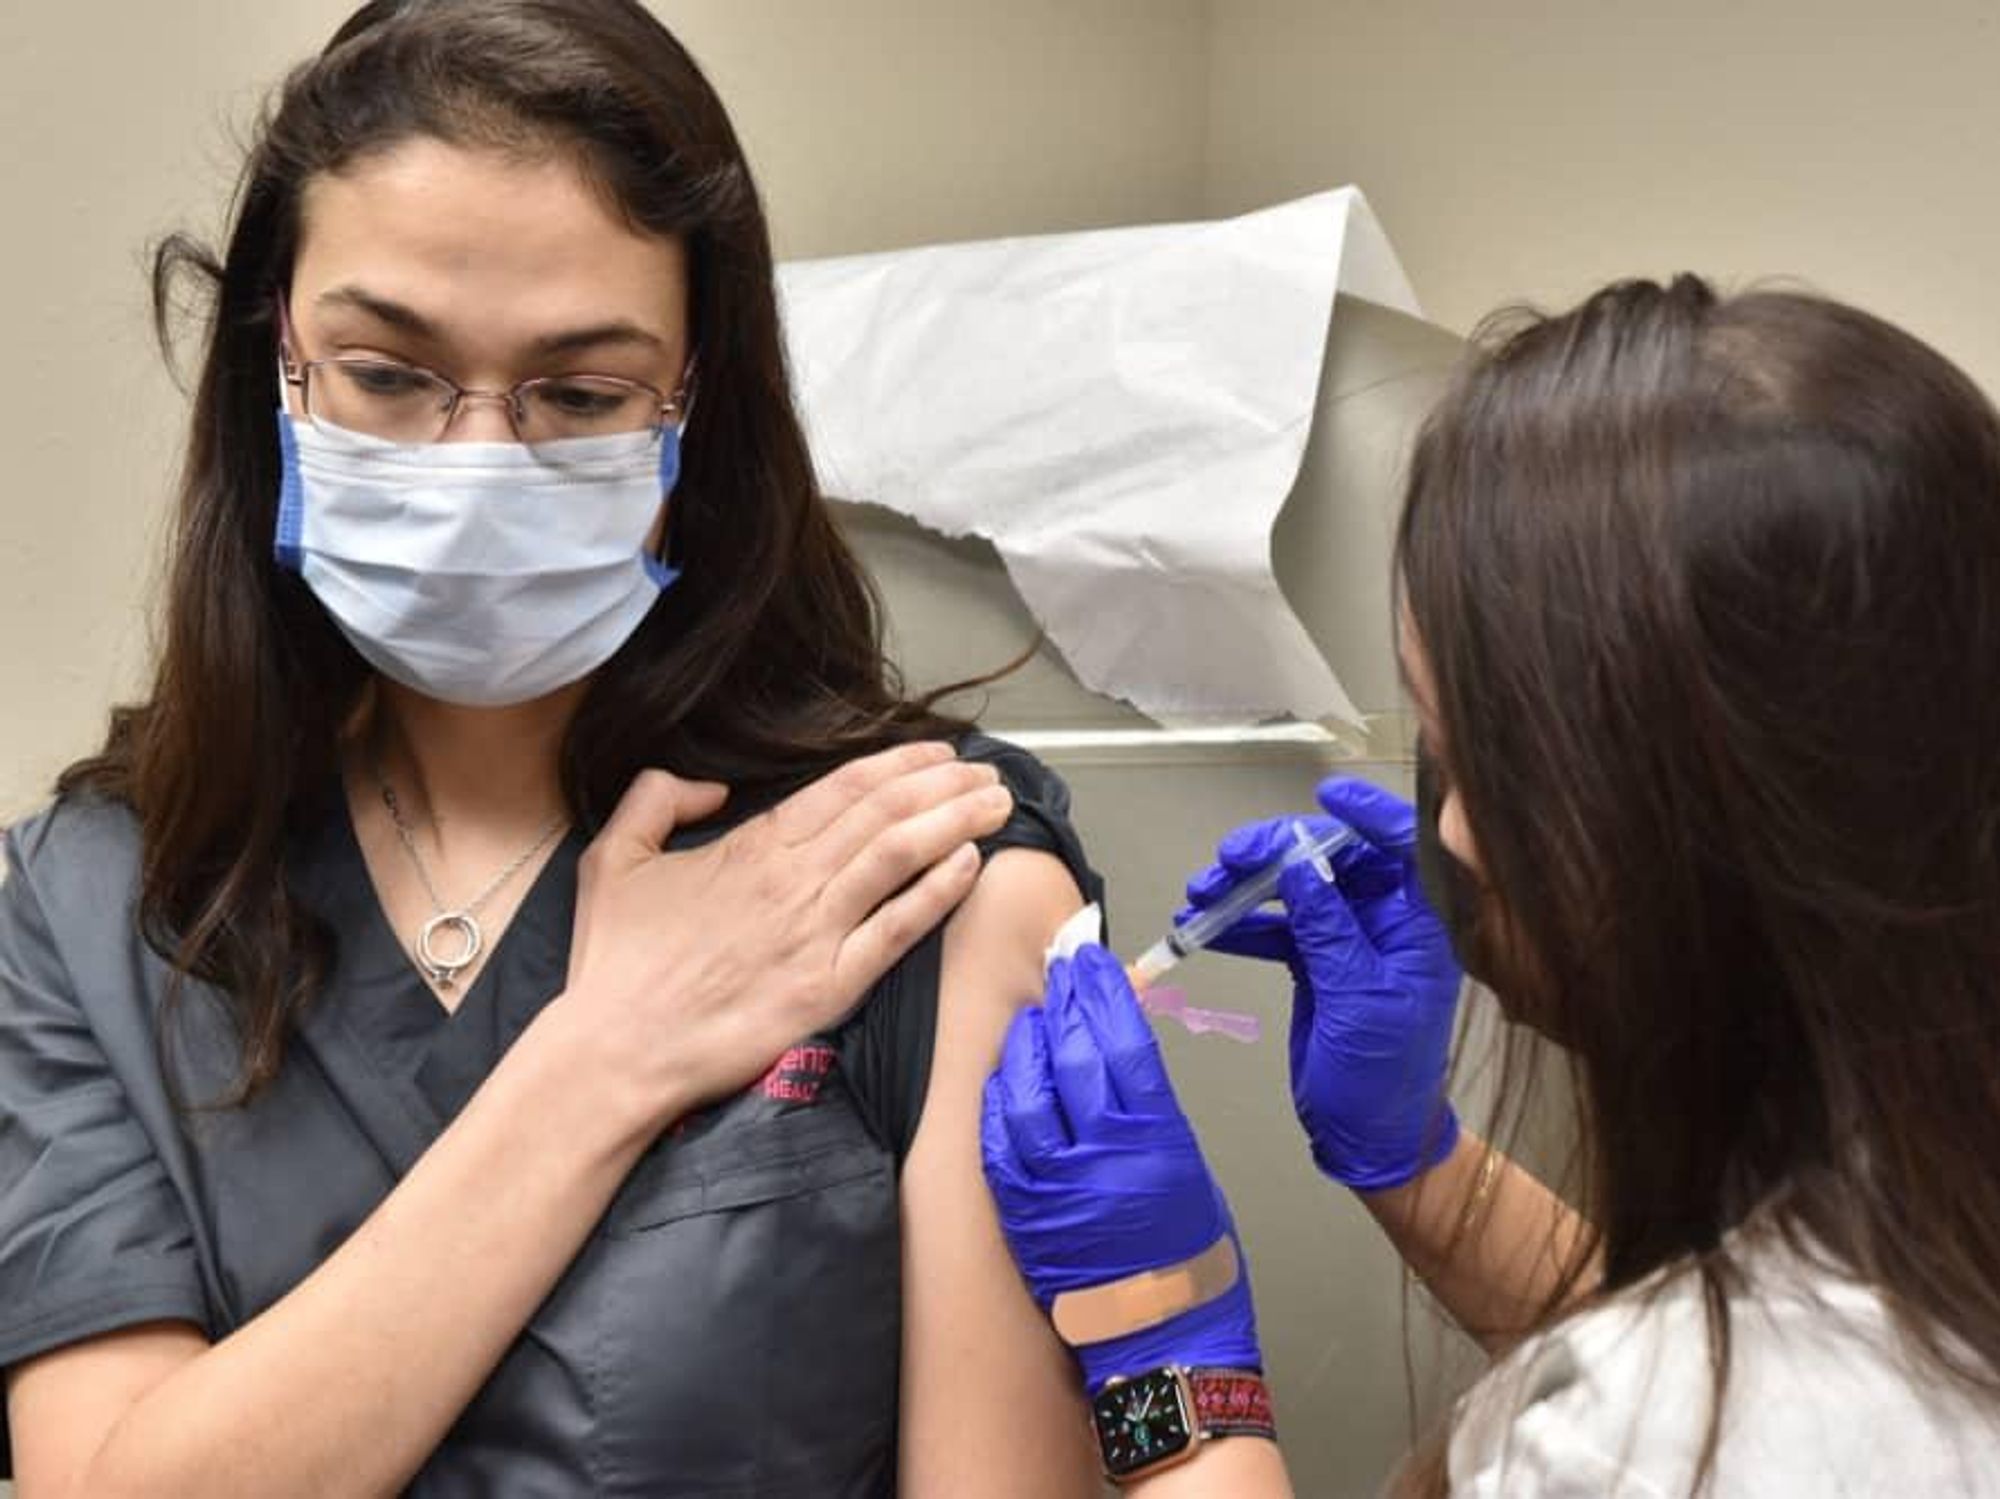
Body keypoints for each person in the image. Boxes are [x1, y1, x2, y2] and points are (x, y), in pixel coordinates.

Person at [0, 3, 1105, 1494]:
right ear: (282, 362)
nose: (474, 474)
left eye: (579, 396)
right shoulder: (85, 902)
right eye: (388, 373)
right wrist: (601, 1061)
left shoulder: (924, 875)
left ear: (691, 402)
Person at [983, 276, 2000, 1495]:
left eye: (1466, 754)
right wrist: (1413, 1161)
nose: (1449, 833)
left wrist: (1166, 1345)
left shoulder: (1694, 1436)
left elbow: (1675, 1402)